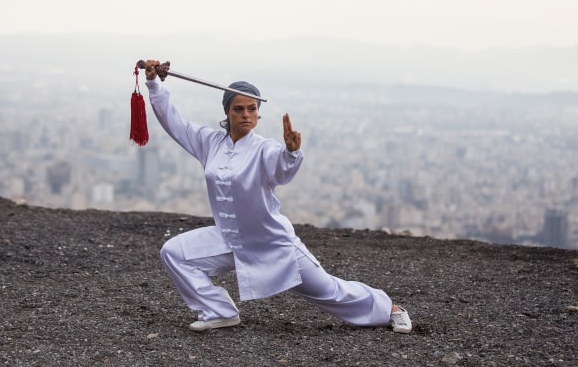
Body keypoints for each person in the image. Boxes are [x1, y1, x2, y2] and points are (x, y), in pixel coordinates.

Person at [142, 59, 412, 333]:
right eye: (239, 109)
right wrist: (153, 83)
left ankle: (390, 309)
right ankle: (219, 311)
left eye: (252, 109)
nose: (246, 114)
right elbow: (174, 122)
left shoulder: (264, 149)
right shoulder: (210, 143)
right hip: (230, 239)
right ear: (228, 112)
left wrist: (291, 152)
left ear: (259, 114)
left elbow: (282, 170)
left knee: (328, 290)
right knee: (174, 253)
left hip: (272, 243)